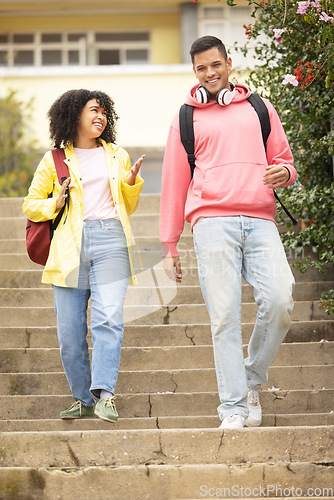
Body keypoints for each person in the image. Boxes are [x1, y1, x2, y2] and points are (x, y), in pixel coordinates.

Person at [159, 36, 297, 429]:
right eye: (201, 68)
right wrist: (170, 243)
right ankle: (234, 408)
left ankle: (250, 377)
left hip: (259, 220)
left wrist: (283, 172)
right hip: (212, 222)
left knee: (281, 300)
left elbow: (285, 161)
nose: (210, 73)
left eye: (215, 64)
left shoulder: (259, 108)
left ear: (229, 63)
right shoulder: (185, 117)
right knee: (223, 317)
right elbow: (173, 183)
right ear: (195, 71)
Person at [23, 89, 144, 422]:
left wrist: (131, 183)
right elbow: (30, 204)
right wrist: (55, 203)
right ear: (74, 115)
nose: (100, 116)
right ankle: (82, 399)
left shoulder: (116, 154)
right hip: (69, 247)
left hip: (111, 241)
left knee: (108, 319)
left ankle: (105, 394)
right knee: (69, 334)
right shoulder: (54, 160)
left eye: (104, 111)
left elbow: (128, 207)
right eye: (94, 110)